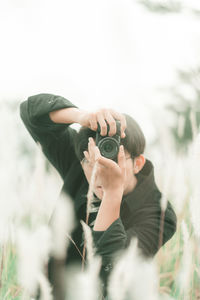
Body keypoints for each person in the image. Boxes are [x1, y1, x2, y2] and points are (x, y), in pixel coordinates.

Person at [20, 93, 177, 299]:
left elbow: (114, 271)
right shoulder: (78, 161)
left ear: (138, 163)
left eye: (112, 156)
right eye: (90, 161)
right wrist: (81, 117)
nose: (100, 170)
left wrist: (112, 194)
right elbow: (31, 112)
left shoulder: (159, 213)